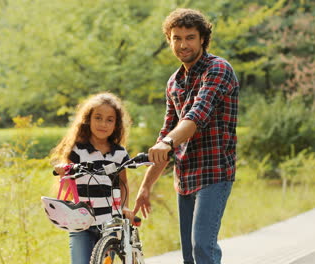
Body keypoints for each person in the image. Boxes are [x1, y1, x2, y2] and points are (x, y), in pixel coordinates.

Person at [133, 8, 239, 264]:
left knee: (203, 247)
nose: (183, 44)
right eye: (176, 38)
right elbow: (166, 132)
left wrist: (167, 142)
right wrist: (146, 186)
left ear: (202, 38)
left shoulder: (217, 69)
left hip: (214, 173)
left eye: (190, 37)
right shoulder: (174, 82)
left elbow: (195, 117)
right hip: (185, 176)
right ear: (169, 40)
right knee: (189, 257)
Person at [50, 92, 134, 264]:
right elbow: (67, 180)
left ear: (116, 124)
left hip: (109, 221)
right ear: (88, 119)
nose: (103, 124)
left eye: (109, 119)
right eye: (98, 117)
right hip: (81, 220)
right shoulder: (78, 150)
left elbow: (123, 182)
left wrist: (124, 206)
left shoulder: (119, 153)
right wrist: (63, 171)